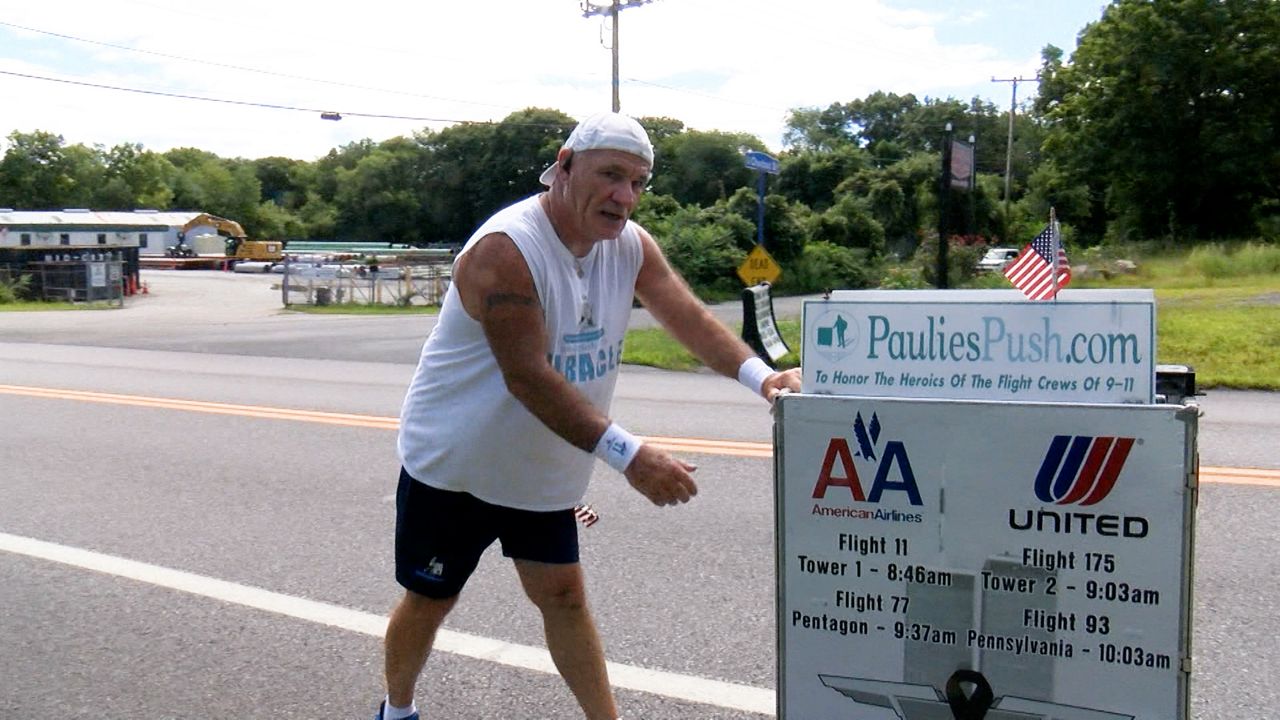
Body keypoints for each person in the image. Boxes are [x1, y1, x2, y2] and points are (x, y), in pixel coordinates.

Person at [377, 112, 802, 720]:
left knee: (564, 597)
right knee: (430, 598)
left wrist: (765, 380)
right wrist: (630, 456)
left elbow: (688, 319)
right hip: (458, 465)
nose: (625, 196)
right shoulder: (505, 250)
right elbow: (529, 377)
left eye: (637, 181)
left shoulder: (629, 245)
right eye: (610, 175)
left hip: (542, 468)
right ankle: (397, 709)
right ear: (565, 165)